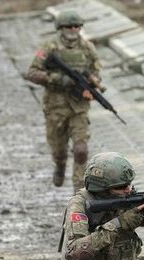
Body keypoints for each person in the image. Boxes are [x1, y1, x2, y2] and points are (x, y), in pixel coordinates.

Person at [25, 10, 102, 193]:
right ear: (61, 27)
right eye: (69, 26)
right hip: (56, 107)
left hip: (79, 107)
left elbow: (96, 71)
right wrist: (58, 79)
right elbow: (32, 73)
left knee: (81, 149)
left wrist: (90, 82)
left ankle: (79, 190)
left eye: (77, 26)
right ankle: (60, 165)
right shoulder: (49, 47)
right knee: (59, 150)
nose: (73, 29)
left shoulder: (87, 48)